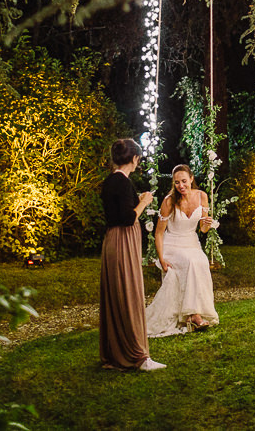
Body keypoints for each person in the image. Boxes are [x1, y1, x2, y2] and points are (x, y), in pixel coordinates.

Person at [99, 138, 166, 371]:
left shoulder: (109, 181)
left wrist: (135, 204)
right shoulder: (124, 183)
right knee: (129, 293)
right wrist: (144, 202)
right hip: (124, 240)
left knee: (116, 294)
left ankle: (115, 353)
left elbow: (118, 212)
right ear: (134, 158)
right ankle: (138, 356)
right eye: (138, 158)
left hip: (111, 241)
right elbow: (128, 218)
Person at [144, 164, 220, 337]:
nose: (181, 186)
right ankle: (194, 315)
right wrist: (161, 259)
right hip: (172, 245)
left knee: (200, 261)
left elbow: (202, 229)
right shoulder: (169, 201)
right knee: (191, 261)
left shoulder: (202, 196)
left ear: (191, 179)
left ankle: (198, 311)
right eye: (177, 182)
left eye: (184, 181)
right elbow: (159, 233)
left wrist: (206, 225)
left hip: (191, 242)